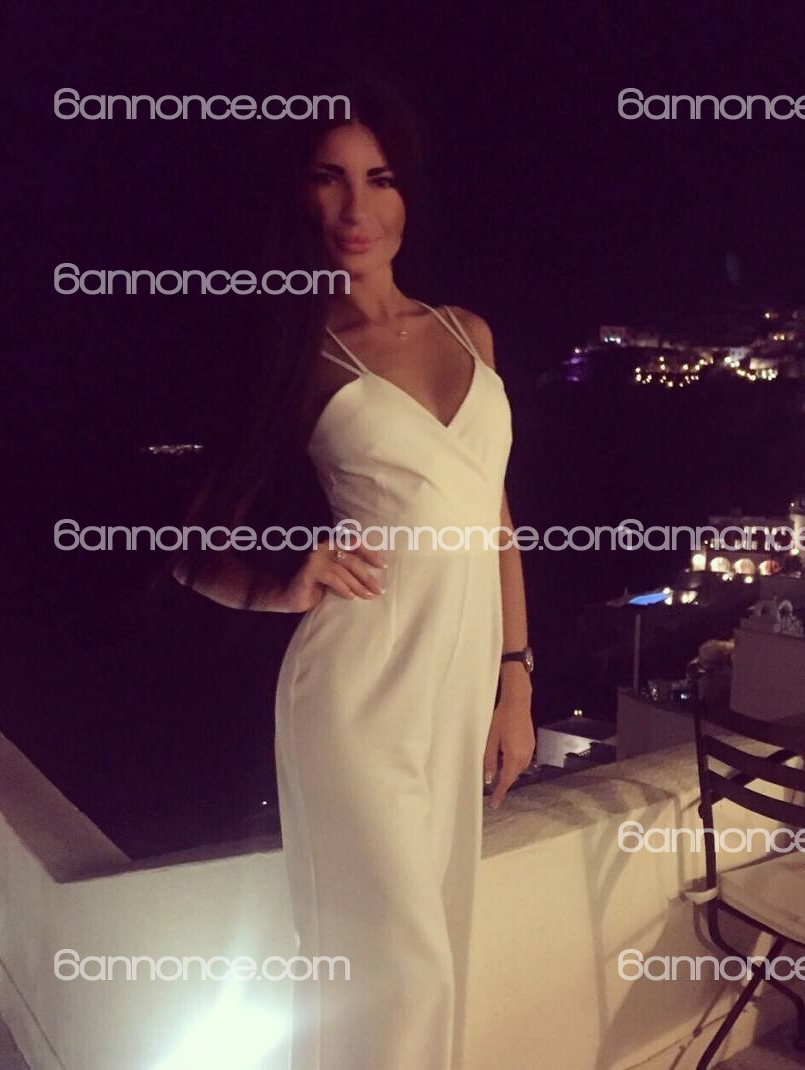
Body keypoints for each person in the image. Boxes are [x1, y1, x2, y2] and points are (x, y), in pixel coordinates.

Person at [169, 73, 535, 1070]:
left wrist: (515, 682)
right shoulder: (299, 351)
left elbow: (495, 518)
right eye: (328, 178)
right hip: (355, 697)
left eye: (378, 178)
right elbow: (191, 544)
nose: (354, 207)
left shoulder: (469, 332)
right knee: (400, 969)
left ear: (407, 192)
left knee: (437, 947)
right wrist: (286, 580)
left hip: (458, 693)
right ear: (301, 195)